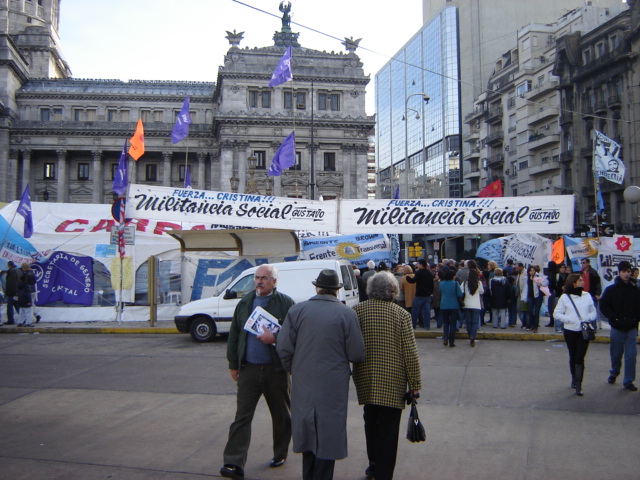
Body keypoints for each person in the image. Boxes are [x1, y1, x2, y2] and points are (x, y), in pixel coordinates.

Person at [277, 269, 365, 480]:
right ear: (336, 290)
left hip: (303, 382)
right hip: (333, 386)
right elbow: (356, 353)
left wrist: (294, 369)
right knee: (328, 435)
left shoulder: (297, 311)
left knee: (307, 432)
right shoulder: (347, 314)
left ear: (317, 287)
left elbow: (283, 348)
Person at [220, 264, 295, 480]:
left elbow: (293, 336)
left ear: (274, 281)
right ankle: (233, 463)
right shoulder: (245, 302)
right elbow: (234, 333)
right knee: (241, 417)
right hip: (249, 369)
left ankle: (280, 453)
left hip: (276, 370)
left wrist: (276, 339)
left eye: (264, 278)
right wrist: (233, 363)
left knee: (281, 416)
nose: (259, 281)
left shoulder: (286, 303)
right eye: (257, 277)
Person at [353, 271, 421, 480]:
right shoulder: (401, 315)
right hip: (393, 382)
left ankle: (373, 466)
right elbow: (409, 351)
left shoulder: (357, 311)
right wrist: (415, 383)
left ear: (370, 289)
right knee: (388, 431)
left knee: (370, 424)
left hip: (365, 379)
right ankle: (384, 473)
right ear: (393, 290)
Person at [552, 273, 597, 396]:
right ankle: (574, 377)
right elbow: (556, 313)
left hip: (584, 331)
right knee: (573, 355)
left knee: (580, 357)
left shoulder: (587, 295)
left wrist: (588, 317)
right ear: (573, 283)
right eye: (580, 280)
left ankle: (579, 383)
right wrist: (569, 319)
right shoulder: (565, 298)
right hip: (570, 331)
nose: (583, 282)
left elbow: (593, 311)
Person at [599, 261, 640, 392]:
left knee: (631, 356)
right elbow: (604, 306)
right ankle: (614, 372)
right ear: (619, 272)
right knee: (616, 354)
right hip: (617, 327)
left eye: (628, 272)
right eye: (624, 272)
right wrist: (613, 317)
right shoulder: (611, 290)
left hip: (631, 327)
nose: (626, 274)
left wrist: (636, 319)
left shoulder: (636, 290)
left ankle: (628, 380)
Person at [405, 259, 434, 329]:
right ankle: (427, 326)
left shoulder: (419, 273)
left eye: (418, 263)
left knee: (415, 311)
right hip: (427, 295)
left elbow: (412, 281)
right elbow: (432, 285)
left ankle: (413, 325)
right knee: (427, 312)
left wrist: (407, 277)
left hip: (419, 295)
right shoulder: (429, 273)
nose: (417, 265)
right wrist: (430, 292)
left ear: (421, 265)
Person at [461, 260, 484, 346]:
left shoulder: (464, 283)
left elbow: (461, 292)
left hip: (467, 304)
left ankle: (470, 335)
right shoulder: (479, 283)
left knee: (468, 322)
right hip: (476, 305)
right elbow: (482, 292)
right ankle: (473, 337)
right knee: (475, 323)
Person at [439, 266, 463, 347]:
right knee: (453, 324)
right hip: (454, 305)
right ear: (452, 276)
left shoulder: (441, 283)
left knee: (446, 323)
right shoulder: (456, 284)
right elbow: (460, 294)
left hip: (444, 305)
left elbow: (440, 292)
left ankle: (445, 338)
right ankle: (451, 341)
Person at [580, 258, 601, 329]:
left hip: (591, 294)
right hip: (582, 295)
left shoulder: (593, 272)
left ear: (588, 263)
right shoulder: (580, 272)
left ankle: (593, 326)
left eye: (584, 263)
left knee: (592, 311)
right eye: (582, 263)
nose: (582, 264)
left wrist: (597, 293)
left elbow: (598, 283)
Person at [3, 261, 19, 325]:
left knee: (10, 307)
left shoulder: (11, 271)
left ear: (9, 265)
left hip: (11, 293)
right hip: (16, 292)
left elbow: (11, 283)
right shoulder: (17, 270)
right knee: (17, 306)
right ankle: (24, 319)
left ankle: (10, 320)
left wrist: (8, 292)